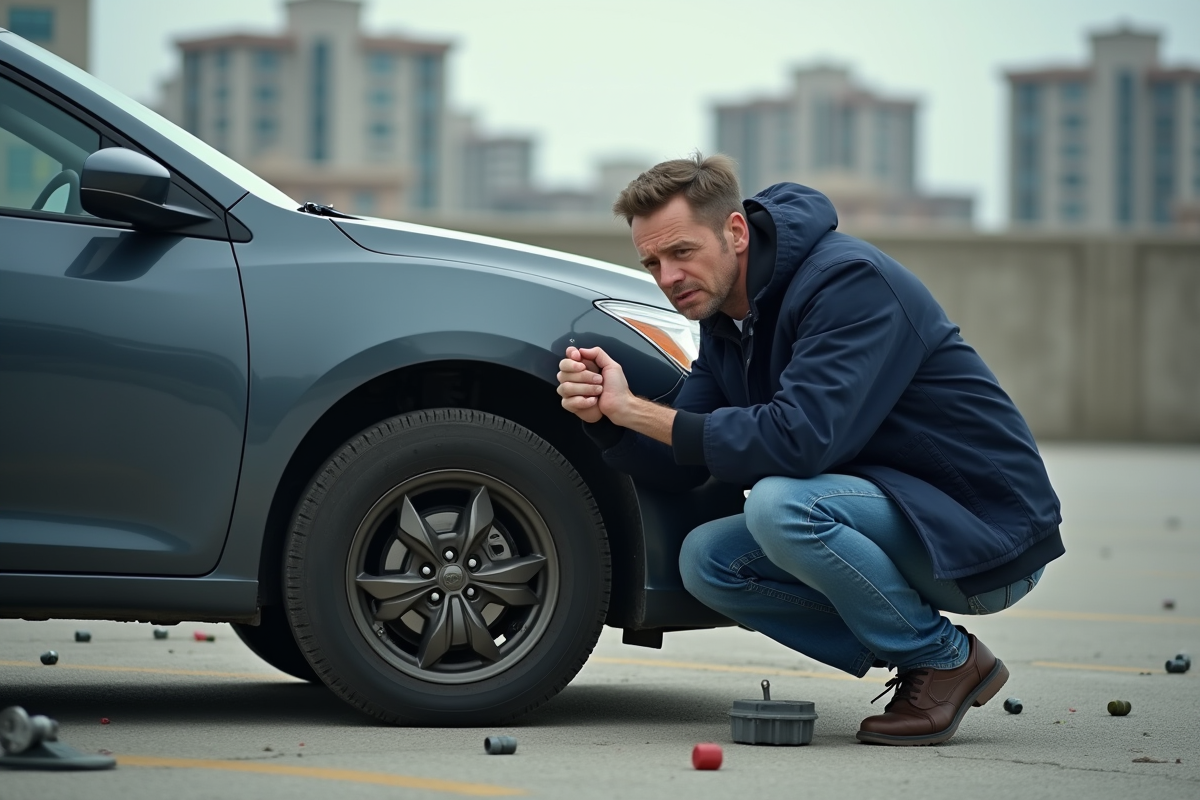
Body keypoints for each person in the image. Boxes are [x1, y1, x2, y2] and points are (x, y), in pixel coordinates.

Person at [556, 153, 1063, 746]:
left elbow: (799, 442)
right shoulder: (728, 322)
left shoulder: (848, 283)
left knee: (781, 505)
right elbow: (686, 457)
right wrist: (606, 420)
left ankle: (944, 660)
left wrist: (634, 410)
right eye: (652, 262)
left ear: (736, 232)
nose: (667, 277)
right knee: (707, 560)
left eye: (682, 253)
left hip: (978, 531)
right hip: (893, 515)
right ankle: (929, 655)